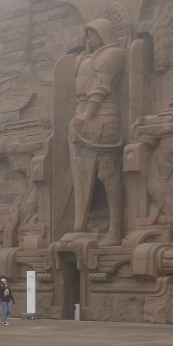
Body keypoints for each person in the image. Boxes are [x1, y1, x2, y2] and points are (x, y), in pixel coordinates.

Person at [69, 17, 125, 244]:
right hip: (80, 114)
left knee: (107, 172)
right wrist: (80, 115)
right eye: (86, 33)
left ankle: (115, 229)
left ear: (103, 34)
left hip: (104, 115)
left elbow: (102, 85)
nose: (87, 38)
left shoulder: (113, 54)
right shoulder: (83, 58)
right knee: (80, 172)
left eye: (92, 33)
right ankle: (79, 223)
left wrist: (87, 115)